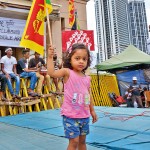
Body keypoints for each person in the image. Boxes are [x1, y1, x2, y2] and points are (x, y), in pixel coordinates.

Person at [47, 43, 98, 150]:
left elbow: (88, 96)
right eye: (77, 58)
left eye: (84, 59)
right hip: (70, 116)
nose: (81, 61)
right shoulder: (67, 72)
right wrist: (50, 57)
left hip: (84, 116)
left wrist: (92, 110)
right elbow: (51, 73)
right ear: (70, 59)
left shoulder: (87, 78)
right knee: (74, 141)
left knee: (82, 141)